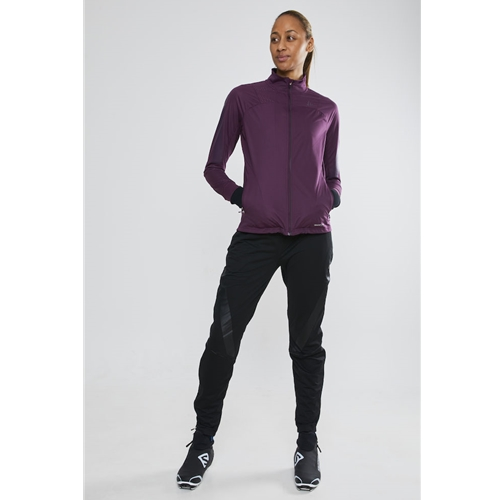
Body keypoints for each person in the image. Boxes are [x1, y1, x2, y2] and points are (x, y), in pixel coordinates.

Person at [176, 9, 341, 492]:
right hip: (256, 236)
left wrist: (328, 198)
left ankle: (307, 445)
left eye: (290, 37)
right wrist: (244, 197)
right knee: (223, 337)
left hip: (311, 239)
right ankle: (201, 442)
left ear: (309, 43)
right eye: (273, 38)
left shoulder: (326, 109)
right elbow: (214, 166)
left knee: (306, 346)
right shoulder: (244, 99)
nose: (280, 46)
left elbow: (332, 173)